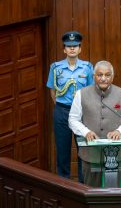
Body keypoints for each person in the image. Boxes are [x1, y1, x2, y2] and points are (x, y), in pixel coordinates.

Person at [68, 60, 121, 187]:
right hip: (90, 151)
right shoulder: (81, 94)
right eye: (99, 75)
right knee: (91, 191)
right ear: (94, 76)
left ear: (112, 77)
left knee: (114, 191)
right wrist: (85, 132)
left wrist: (119, 131)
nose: (103, 78)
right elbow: (73, 119)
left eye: (107, 75)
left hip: (114, 151)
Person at [46, 31, 94, 182]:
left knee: (83, 150)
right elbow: (53, 91)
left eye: (75, 46)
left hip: (82, 113)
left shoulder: (87, 67)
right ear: (64, 49)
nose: (72, 48)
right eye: (68, 46)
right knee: (62, 151)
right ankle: (64, 185)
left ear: (80, 49)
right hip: (62, 111)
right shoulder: (56, 68)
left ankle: (83, 184)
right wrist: (63, 107)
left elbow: (91, 91)